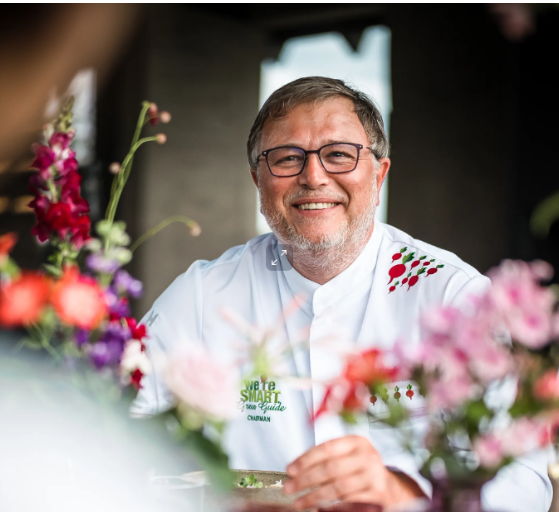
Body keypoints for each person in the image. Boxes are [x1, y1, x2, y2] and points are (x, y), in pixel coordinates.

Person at [132, 76, 552, 511]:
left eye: (338, 155)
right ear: (257, 178)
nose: (313, 177)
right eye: (286, 158)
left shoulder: (452, 296)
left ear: (379, 173)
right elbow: (116, 428)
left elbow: (526, 483)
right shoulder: (203, 294)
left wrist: (403, 493)